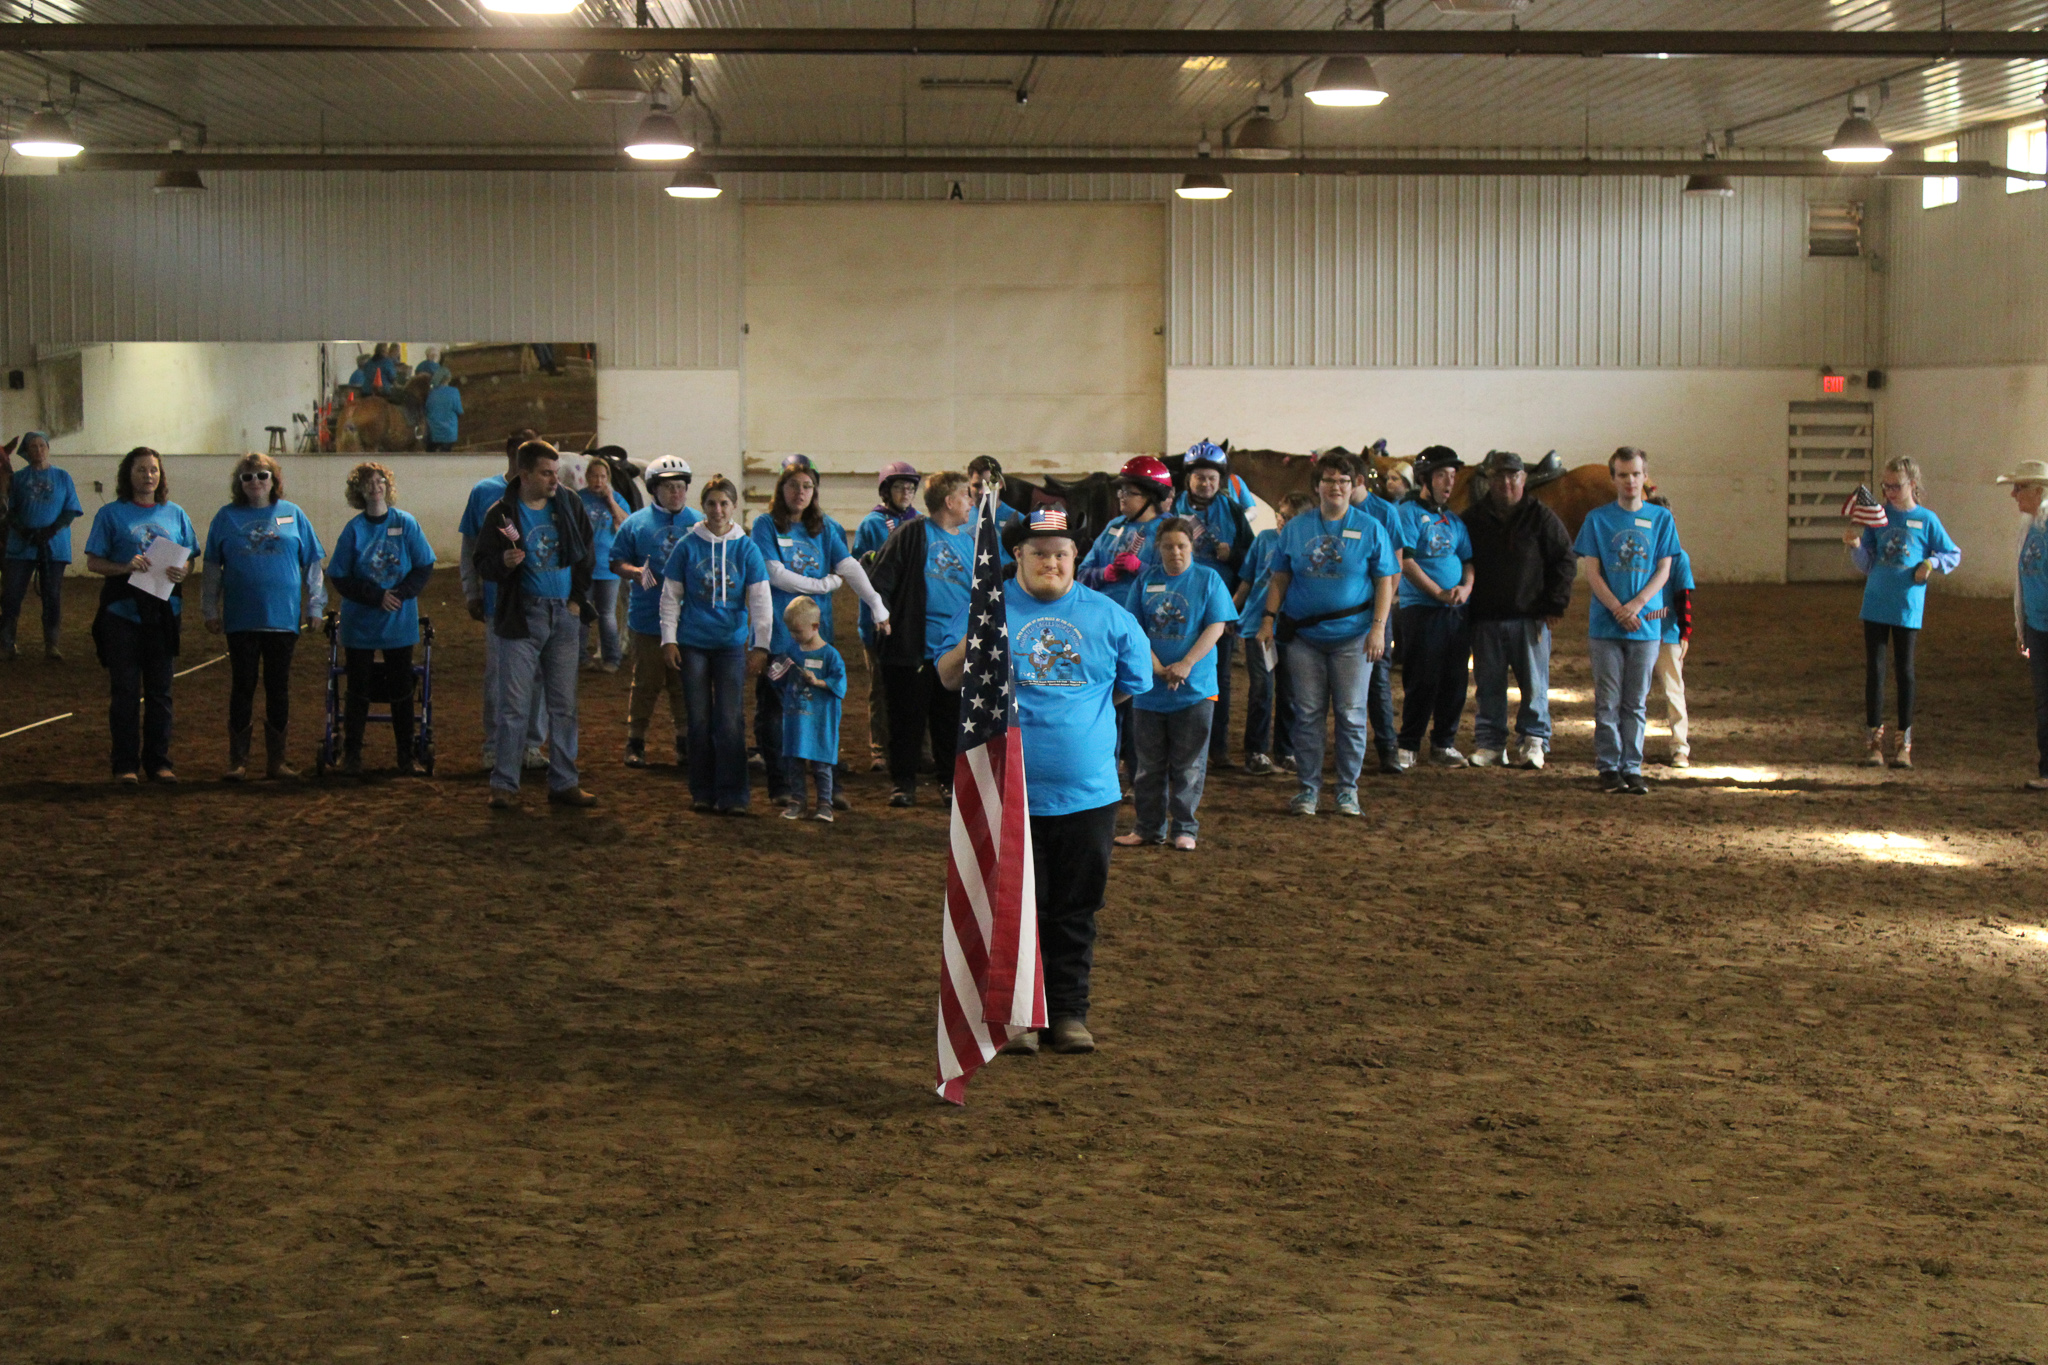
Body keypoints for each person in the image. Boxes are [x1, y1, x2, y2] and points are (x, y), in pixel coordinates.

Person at [935, 505, 1151, 1055]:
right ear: (1017, 558)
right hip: (1009, 792)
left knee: (1075, 909)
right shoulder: (992, 611)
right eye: (1038, 553)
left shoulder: (1111, 616)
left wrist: (1078, 721)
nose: (1050, 563)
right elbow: (948, 676)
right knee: (1015, 908)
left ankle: (1069, 1012)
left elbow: (1130, 685)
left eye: (1060, 554)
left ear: (1076, 558)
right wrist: (980, 631)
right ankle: (1018, 1017)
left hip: (1088, 795)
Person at [1256, 453, 1399, 817]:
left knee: (1351, 714)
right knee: (1307, 714)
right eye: (1329, 480)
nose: (1336, 487)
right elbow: (1280, 577)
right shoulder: (1296, 528)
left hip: (1354, 636)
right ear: (1317, 485)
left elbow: (1385, 580)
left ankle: (1347, 790)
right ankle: (1308, 789)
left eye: (1344, 481)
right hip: (1304, 637)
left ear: (1354, 486)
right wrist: (1269, 619)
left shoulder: (1370, 528)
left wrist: (1378, 628)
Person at [750, 460, 889, 808]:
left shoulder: (826, 528)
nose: (800, 492)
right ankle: (781, 783)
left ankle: (829, 787)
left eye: (808, 486)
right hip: (779, 638)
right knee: (776, 710)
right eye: (794, 485)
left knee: (820, 710)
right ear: (781, 489)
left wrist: (876, 604)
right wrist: (821, 585)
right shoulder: (765, 525)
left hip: (817, 640)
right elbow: (773, 573)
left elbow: (849, 568)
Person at [475, 440, 598, 810]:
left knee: (563, 705)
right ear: (524, 474)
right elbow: (483, 562)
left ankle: (564, 781)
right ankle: (505, 784)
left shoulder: (568, 504)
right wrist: (504, 564)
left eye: (555, 472)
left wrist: (576, 601)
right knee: (514, 705)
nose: (554, 480)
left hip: (563, 614)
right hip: (522, 616)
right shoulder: (500, 514)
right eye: (546, 473)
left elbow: (586, 554)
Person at [202, 452, 326, 781]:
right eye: (248, 477)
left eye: (262, 475)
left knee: (278, 687)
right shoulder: (225, 518)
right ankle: (238, 760)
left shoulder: (293, 514)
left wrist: (315, 605)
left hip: (282, 619)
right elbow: (212, 568)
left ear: (274, 480)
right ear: (239, 483)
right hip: (242, 618)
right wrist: (209, 609)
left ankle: (277, 760)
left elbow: (312, 564)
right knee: (242, 686)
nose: (255, 481)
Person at [1118, 518, 1235, 851]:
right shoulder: (1145, 580)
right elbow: (1134, 628)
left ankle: (1185, 828)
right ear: (1159, 548)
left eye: (1181, 546)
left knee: (1188, 764)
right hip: (1149, 691)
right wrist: (1155, 667)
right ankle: (1147, 827)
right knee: (1147, 765)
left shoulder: (1208, 579)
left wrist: (1186, 664)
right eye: (1168, 546)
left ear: (1191, 547)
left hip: (1195, 689)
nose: (1175, 552)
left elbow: (1216, 626)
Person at [84, 448, 198, 783]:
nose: (148, 476)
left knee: (161, 691)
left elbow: (189, 557)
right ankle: (125, 765)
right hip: (122, 613)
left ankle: (159, 762)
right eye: (140, 470)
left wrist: (184, 571)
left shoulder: (176, 514)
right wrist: (124, 566)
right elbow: (93, 562)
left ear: (160, 475)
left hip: (163, 613)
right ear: (128, 475)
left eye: (153, 470)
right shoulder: (110, 515)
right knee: (125, 692)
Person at [867, 471, 981, 808]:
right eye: (966, 495)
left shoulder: (972, 543)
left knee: (950, 721)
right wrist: (882, 615)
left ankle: (948, 782)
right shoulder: (912, 534)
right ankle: (903, 782)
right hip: (912, 649)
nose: (971, 502)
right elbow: (881, 579)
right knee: (906, 719)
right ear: (949, 501)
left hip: (955, 652)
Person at [660, 475, 771, 814]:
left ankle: (734, 793)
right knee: (698, 719)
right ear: (703, 506)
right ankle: (702, 791)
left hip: (730, 646)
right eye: (711, 503)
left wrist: (760, 645)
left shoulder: (746, 548)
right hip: (693, 644)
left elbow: (760, 600)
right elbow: (670, 596)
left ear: (734, 506)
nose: (718, 510)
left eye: (724, 503)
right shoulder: (687, 545)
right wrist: (669, 639)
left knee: (728, 719)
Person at [1575, 446, 1680, 795]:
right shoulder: (1597, 519)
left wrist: (1636, 604)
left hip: (1646, 625)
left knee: (1636, 702)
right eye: (1623, 475)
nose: (1630, 481)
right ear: (1614, 478)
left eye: (1635, 474)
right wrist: (1618, 609)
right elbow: (1591, 570)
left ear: (1644, 476)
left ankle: (1631, 765)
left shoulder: (1661, 519)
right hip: (1606, 626)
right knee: (1607, 700)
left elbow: (1664, 569)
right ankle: (1608, 765)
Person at [1844, 455, 1960, 770]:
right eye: (1886, 486)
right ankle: (1874, 742)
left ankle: (1904, 743)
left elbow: (1952, 553)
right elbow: (1868, 564)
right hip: (1876, 602)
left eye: (1896, 486)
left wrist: (1930, 563)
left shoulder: (1927, 520)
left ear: (1912, 484)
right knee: (1875, 672)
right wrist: (1855, 547)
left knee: (1905, 673)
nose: (1890, 492)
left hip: (1907, 607)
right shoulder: (1877, 518)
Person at [1462, 450, 1574, 770]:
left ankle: (1533, 740)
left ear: (1523, 480)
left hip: (1529, 618)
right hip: (1485, 618)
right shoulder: (1472, 519)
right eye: (1499, 476)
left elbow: (1564, 559)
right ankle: (1490, 743)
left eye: (1513, 476)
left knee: (1534, 684)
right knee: (1489, 685)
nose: (1507, 482)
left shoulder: (1542, 516)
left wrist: (1555, 603)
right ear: (1490, 481)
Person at [326, 461, 434, 777]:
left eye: (380, 481)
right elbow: (339, 575)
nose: (375, 487)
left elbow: (424, 565)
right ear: (359, 491)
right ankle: (352, 755)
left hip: (398, 621)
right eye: (368, 483)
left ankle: (405, 755)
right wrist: (375, 595)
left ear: (387, 487)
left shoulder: (406, 523)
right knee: (357, 689)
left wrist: (399, 593)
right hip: (360, 622)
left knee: (401, 688)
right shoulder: (354, 530)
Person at [460, 430, 548, 770]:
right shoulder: (485, 493)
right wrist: (472, 590)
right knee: (499, 676)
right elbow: (470, 547)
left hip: (539, 599)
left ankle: (530, 744)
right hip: (499, 599)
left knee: (538, 674)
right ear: (510, 453)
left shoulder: (548, 492)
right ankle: (495, 746)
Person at [612, 455, 700, 768]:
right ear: (654, 490)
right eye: (668, 488)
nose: (676, 493)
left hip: (689, 618)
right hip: (648, 617)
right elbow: (616, 561)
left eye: (680, 487)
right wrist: (635, 572)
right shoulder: (636, 524)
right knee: (646, 680)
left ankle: (685, 741)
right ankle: (635, 740)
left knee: (683, 681)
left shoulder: (700, 522)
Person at [1172, 441, 1255, 770]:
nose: (1205, 484)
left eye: (1211, 478)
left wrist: (1231, 555)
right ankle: (1175, 748)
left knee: (1219, 678)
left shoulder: (1232, 511)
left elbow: (1250, 558)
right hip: (1176, 604)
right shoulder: (1170, 508)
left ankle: (1216, 748)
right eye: (1199, 478)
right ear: (1188, 479)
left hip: (1218, 606)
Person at [1392, 446, 1476, 770]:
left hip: (1455, 610)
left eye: (1453, 476)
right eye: (1442, 475)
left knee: (1455, 679)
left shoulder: (1453, 520)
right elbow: (1408, 562)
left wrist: (1465, 588)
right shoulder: (1408, 513)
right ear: (1426, 478)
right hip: (1422, 610)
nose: (1449, 482)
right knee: (1422, 678)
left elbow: (1468, 561)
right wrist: (1439, 592)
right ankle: (1409, 742)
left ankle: (1444, 742)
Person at [1236, 490, 1310, 776]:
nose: (1283, 522)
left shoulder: (1306, 545)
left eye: (1290, 518)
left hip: (1291, 628)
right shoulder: (1264, 539)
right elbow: (1247, 581)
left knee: (1290, 692)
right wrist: (1230, 613)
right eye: (1281, 515)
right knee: (1261, 690)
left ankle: (1285, 750)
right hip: (1257, 624)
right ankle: (1255, 751)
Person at [855, 461, 922, 771]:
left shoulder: (921, 522)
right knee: (880, 687)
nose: (906, 493)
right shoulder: (872, 524)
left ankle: (918, 747)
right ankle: (879, 749)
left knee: (916, 686)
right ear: (886, 491)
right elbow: (861, 565)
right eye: (899, 487)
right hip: (878, 618)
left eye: (910, 488)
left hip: (910, 619)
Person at [1, 430, 82, 662]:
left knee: (52, 595)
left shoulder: (62, 477)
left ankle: (52, 644)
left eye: (41, 446)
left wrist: (51, 530)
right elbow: (10, 509)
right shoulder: (17, 479)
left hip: (53, 546)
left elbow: (70, 509)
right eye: (33, 447)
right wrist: (24, 530)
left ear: (47, 449)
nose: (38, 450)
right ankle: (7, 642)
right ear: (26, 452)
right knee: (12, 595)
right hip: (21, 546)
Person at [1999, 460, 2048, 790]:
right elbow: (2023, 582)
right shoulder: (2028, 529)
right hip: (2037, 625)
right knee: (2043, 701)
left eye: (2020, 488)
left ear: (2039, 491)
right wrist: (2021, 627)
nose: (2014, 494)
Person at [777, 596, 847, 822]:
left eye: (797, 631)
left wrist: (817, 682)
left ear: (815, 627)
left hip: (820, 721)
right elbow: (776, 678)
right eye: (791, 631)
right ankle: (797, 800)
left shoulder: (830, 655)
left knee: (821, 765)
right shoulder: (791, 652)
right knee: (795, 762)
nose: (793, 636)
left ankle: (825, 803)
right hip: (796, 719)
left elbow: (840, 683)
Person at [1078, 455, 1174, 606]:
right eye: (1121, 491)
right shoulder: (1114, 525)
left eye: (1129, 492)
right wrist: (1103, 574)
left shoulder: (1169, 531)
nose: (1121, 497)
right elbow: (1082, 574)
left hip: (1143, 617)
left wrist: (1141, 568)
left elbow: (1176, 583)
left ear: (1151, 497)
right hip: (1104, 610)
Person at [1647, 498, 1695, 769]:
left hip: (1666, 633)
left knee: (1673, 691)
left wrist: (1684, 632)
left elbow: (1682, 595)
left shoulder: (1678, 557)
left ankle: (1680, 747)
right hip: (1642, 632)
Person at [579, 454, 629, 673]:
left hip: (608, 566)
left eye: (602, 476)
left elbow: (626, 524)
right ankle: (580, 658)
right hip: (583, 566)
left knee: (606, 614)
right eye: (594, 476)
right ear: (587, 477)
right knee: (582, 614)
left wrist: (610, 501)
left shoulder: (617, 499)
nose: (598, 481)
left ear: (607, 478)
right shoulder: (578, 498)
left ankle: (612, 658)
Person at [968, 456, 1022, 531]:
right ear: (969, 484)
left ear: (1000, 483)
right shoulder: (958, 519)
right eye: (976, 486)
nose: (982, 491)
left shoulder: (1018, 521)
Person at [423, 369, 462, 452]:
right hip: (449, 433)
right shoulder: (454, 392)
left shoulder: (432, 393)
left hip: (433, 432)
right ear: (448, 379)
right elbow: (459, 410)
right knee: (445, 457)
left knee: (429, 455)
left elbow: (426, 410)